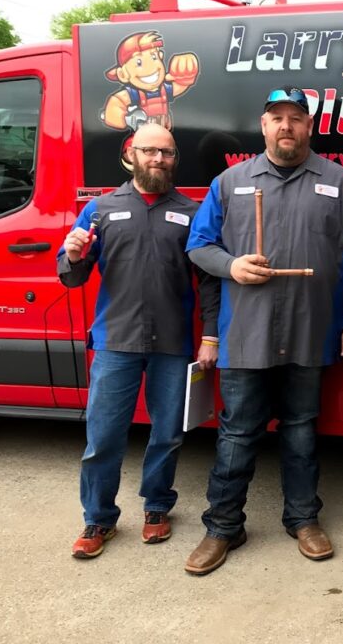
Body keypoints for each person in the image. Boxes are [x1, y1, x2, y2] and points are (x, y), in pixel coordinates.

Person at [183, 85, 343, 576]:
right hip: (247, 335)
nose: (286, 126)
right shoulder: (229, 182)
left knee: (302, 431)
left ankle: (303, 520)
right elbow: (198, 246)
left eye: (296, 117)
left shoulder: (341, 182)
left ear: (310, 126)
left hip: (312, 332)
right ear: (263, 126)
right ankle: (223, 527)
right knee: (238, 434)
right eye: (277, 118)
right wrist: (232, 266)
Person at [57, 122, 219, 559]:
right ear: (131, 154)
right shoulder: (100, 210)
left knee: (167, 433)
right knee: (104, 436)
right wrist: (71, 256)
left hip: (172, 342)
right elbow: (72, 275)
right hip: (116, 342)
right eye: (150, 151)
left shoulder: (191, 211)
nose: (158, 160)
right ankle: (98, 519)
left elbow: (207, 282)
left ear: (174, 160)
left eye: (166, 153)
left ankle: (157, 506)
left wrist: (209, 336)